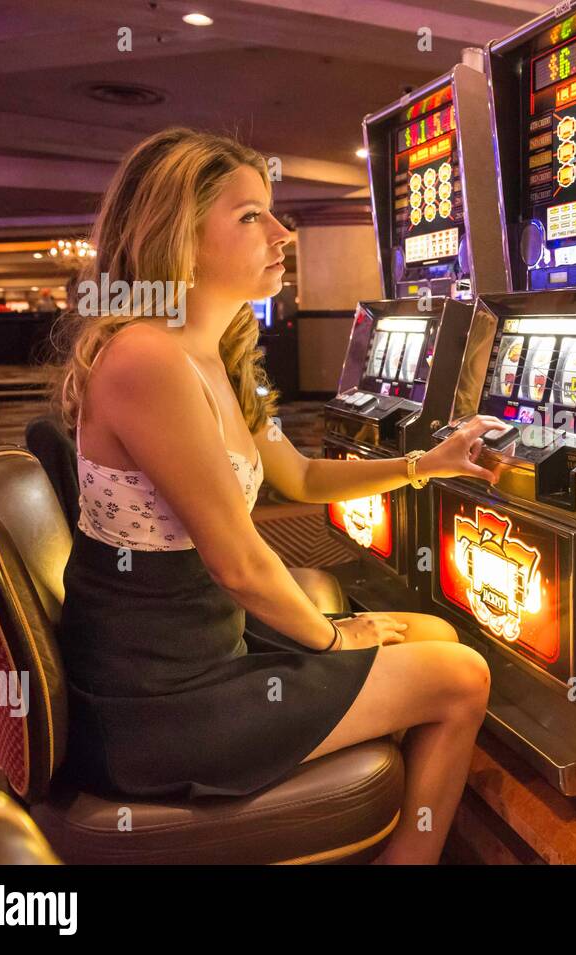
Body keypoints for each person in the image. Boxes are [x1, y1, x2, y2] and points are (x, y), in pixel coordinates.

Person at [51, 128, 504, 864]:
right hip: (157, 703)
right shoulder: (146, 357)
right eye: (251, 216)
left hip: (205, 651)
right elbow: (237, 562)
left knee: (436, 636)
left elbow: (303, 478)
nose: (283, 233)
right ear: (181, 238)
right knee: (461, 677)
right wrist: (332, 637)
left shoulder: (217, 355)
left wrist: (428, 462)